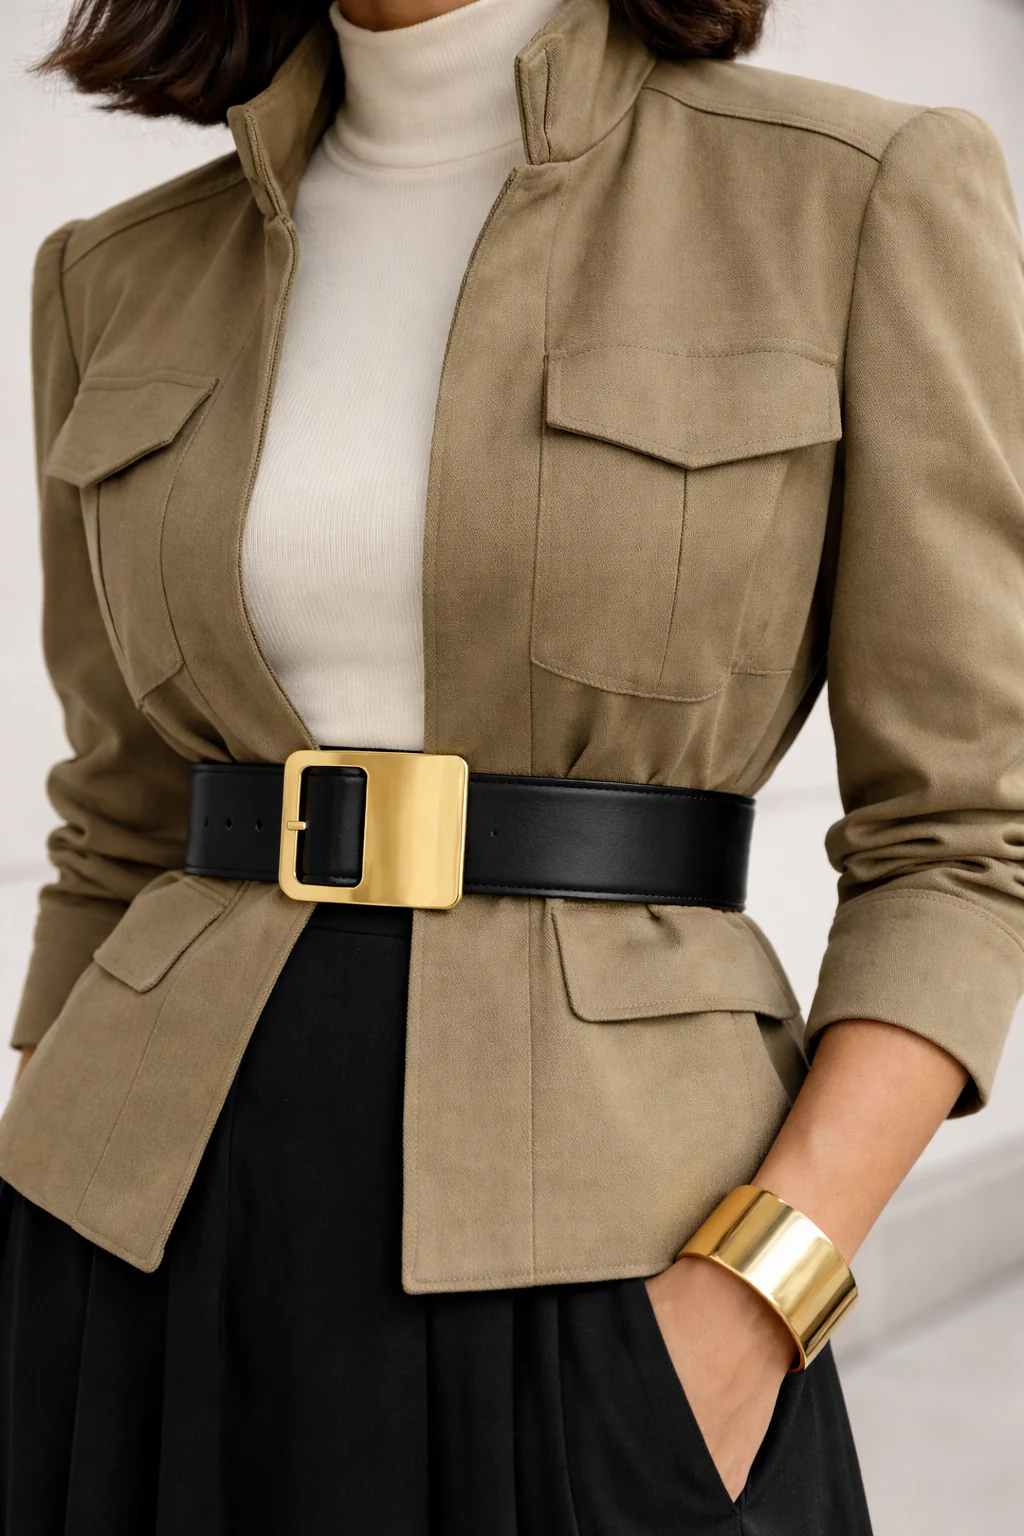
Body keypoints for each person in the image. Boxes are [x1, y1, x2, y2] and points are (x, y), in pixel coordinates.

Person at [1, 0, 1022, 1529]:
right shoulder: (108, 273)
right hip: (131, 1256)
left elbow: (966, 829)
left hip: (621, 1259)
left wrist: (757, 1303)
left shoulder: (857, 190)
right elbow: (121, 819)